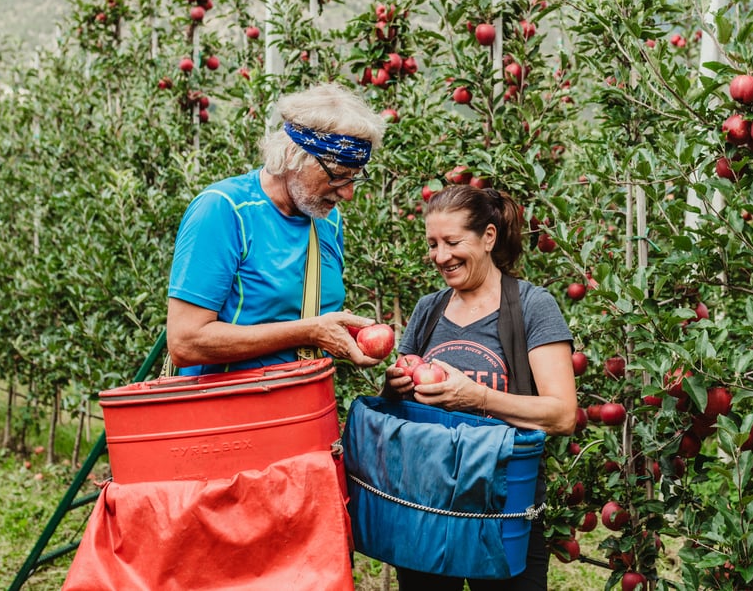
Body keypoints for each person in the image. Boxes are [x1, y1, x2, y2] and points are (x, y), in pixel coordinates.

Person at [383, 183, 578, 591]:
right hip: (429, 504)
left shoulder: (531, 306)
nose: (441, 256)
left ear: (488, 237)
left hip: (505, 503)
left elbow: (562, 414)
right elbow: (404, 406)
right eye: (433, 244)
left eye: (453, 242)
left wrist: (479, 397)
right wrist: (397, 386)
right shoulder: (428, 310)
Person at [166, 82, 387, 375]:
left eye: (355, 178)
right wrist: (309, 332)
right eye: (338, 176)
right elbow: (185, 342)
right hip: (231, 410)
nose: (347, 194)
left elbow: (306, 318)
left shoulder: (326, 219)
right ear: (294, 157)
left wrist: (336, 332)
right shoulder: (224, 210)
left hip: (302, 406)